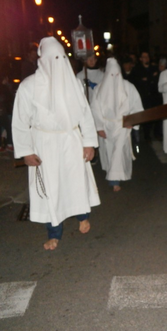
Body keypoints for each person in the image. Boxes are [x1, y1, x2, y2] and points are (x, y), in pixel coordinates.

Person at [12, 37, 100, 250]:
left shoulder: (74, 83)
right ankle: (54, 233)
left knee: (75, 182)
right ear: (43, 60)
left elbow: (85, 115)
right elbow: (20, 121)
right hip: (45, 144)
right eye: (53, 58)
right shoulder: (28, 86)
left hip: (71, 140)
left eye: (61, 58)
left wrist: (88, 143)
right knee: (51, 188)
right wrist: (26, 151)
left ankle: (82, 216)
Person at [90, 58, 144, 192]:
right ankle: (114, 176)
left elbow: (137, 106)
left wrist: (133, 121)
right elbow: (95, 110)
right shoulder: (99, 89)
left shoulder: (129, 87)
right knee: (110, 151)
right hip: (107, 125)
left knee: (118, 152)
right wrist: (99, 127)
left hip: (122, 126)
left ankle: (114, 181)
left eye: (117, 74)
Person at [133, 51, 161, 141]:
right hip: (144, 96)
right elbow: (139, 82)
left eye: (147, 56)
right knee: (146, 117)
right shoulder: (137, 69)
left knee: (157, 116)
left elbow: (156, 79)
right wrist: (150, 78)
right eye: (144, 57)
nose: (146, 59)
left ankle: (157, 134)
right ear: (141, 59)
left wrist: (148, 79)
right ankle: (147, 135)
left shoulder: (154, 68)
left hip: (154, 96)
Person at [0, 72, 14, 152]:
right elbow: (8, 98)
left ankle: (4, 145)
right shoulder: (4, 88)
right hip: (4, 111)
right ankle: (9, 144)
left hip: (4, 110)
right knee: (9, 127)